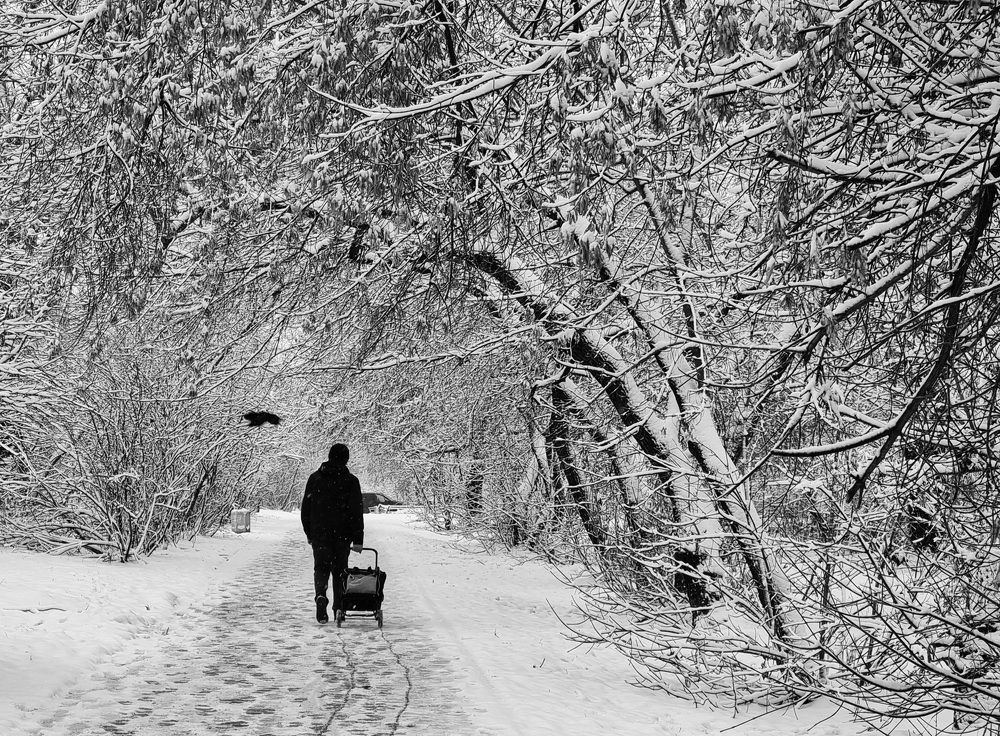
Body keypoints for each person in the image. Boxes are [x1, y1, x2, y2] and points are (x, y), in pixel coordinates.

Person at [301, 443, 364, 624]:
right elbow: (356, 512)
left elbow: (306, 508)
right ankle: (338, 606)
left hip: (320, 535)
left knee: (321, 568)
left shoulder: (315, 479)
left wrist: (310, 533)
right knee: (339, 571)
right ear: (346, 459)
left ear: (329, 456)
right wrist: (357, 539)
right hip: (342, 536)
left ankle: (321, 596)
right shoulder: (351, 481)